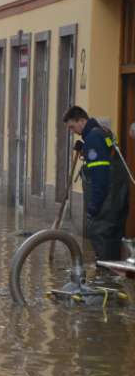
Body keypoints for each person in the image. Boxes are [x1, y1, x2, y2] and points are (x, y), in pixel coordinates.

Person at [63, 105, 130, 261]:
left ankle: (104, 283)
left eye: (72, 127)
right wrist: (84, 148)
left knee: (104, 251)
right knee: (112, 247)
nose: (72, 131)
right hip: (117, 201)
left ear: (81, 120)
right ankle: (112, 283)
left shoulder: (93, 139)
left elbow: (100, 176)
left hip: (105, 206)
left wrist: (93, 207)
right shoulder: (103, 132)